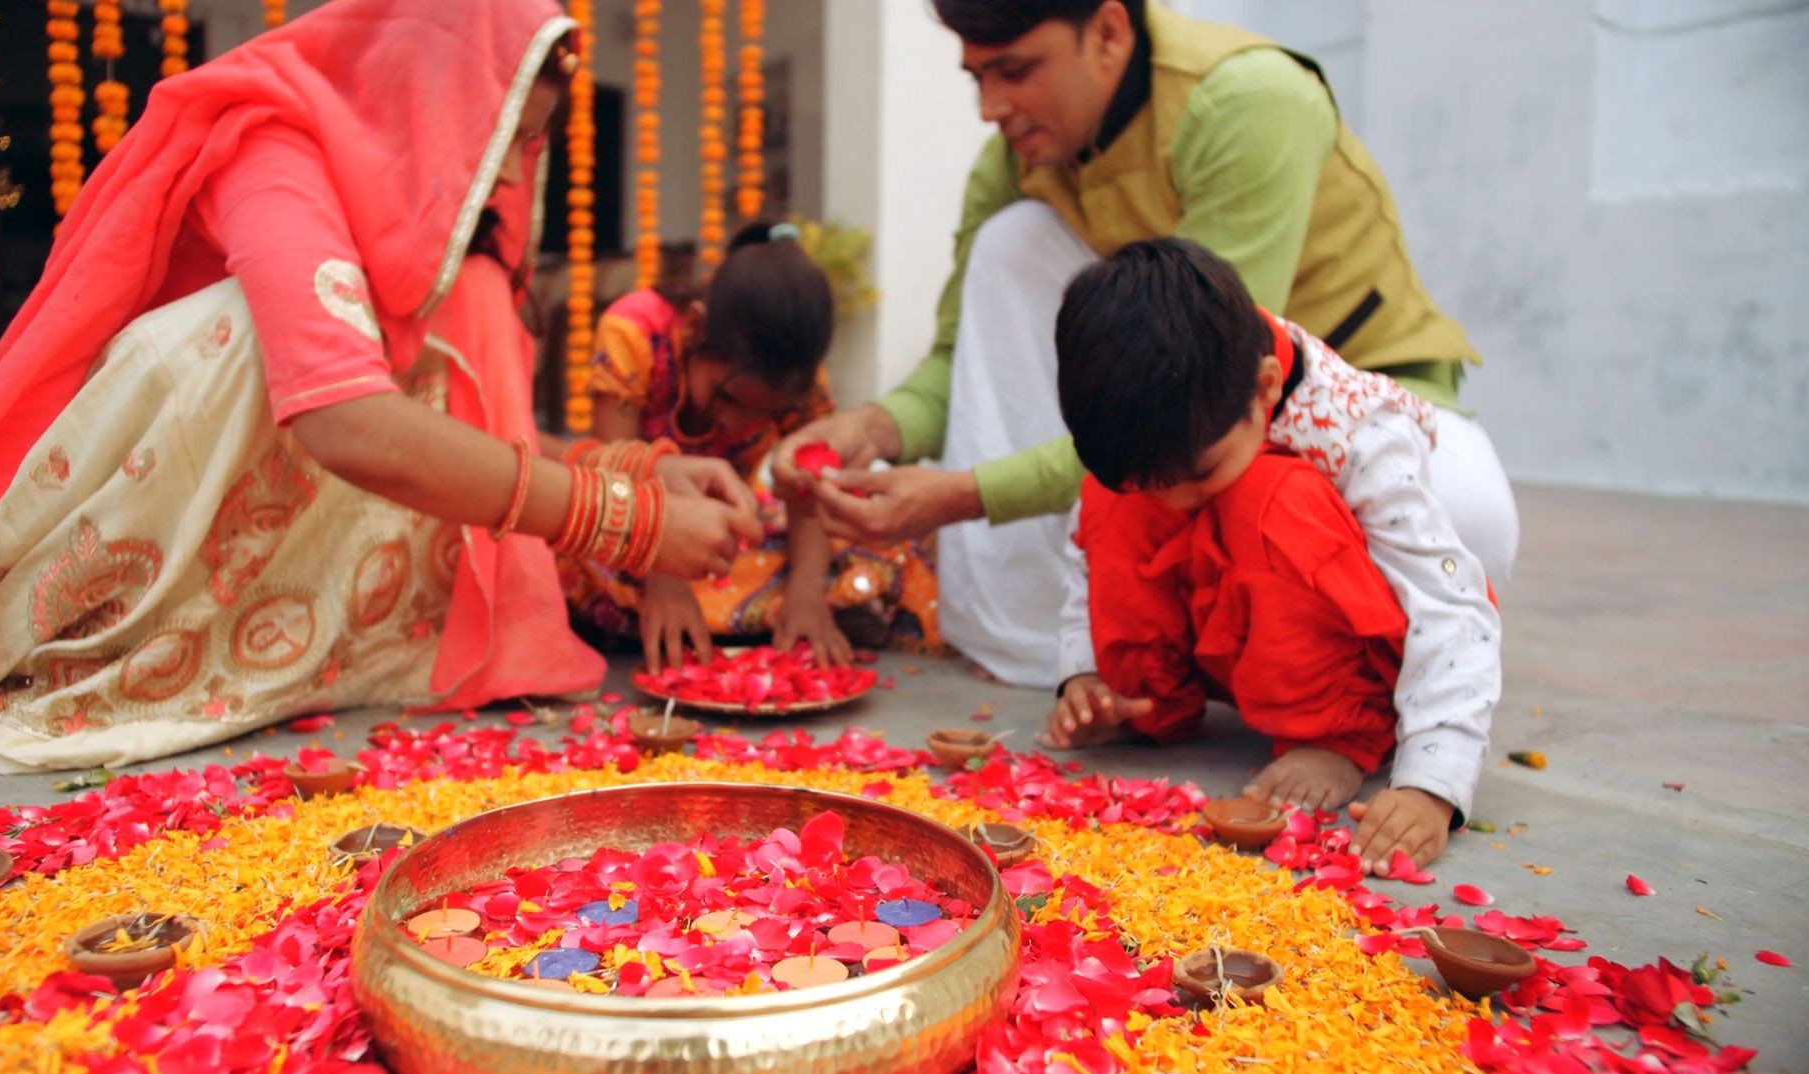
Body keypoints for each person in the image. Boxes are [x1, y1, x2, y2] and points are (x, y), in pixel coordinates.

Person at [0, 0, 759, 771]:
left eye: (528, 140)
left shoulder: (440, 247)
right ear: (420, 91)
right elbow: (347, 423)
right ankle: (130, 645)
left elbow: (489, 439)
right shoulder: (274, 146)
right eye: (497, 132)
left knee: (463, 301)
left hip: (300, 575)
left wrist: (634, 472)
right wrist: (628, 523)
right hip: (142, 538)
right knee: (263, 334)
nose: (505, 173)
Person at [769, 0, 1518, 689]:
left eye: (1016, 69)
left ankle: (1280, 665)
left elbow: (1206, 387)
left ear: (1108, 32)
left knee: (1470, 517)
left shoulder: (1248, 101)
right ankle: (1051, 647)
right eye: (978, 76)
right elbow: (956, 358)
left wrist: (966, 496)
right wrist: (871, 428)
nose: (992, 107)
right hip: (1180, 436)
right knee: (1013, 241)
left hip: (1343, 404)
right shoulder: (1013, 159)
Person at [1047, 238, 1500, 872]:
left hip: (1359, 642)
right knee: (1110, 500)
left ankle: (1335, 733)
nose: (1173, 503)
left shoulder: (1358, 433)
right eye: (1153, 483)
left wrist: (1433, 784)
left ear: (1266, 390)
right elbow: (1088, 552)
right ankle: (1145, 703)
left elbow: (1451, 607)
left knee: (1268, 497)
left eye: (1198, 474)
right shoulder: (1167, 427)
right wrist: (1085, 675)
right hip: (1238, 632)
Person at [572, 223, 941, 670]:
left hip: (724, 543)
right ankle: (732, 617)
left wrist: (806, 596)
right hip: (635, 532)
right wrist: (665, 582)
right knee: (565, 544)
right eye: (728, 397)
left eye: (762, 415)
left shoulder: (800, 384)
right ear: (693, 329)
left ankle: (768, 616)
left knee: (889, 541)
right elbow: (615, 478)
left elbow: (809, 498)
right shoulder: (634, 332)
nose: (735, 423)